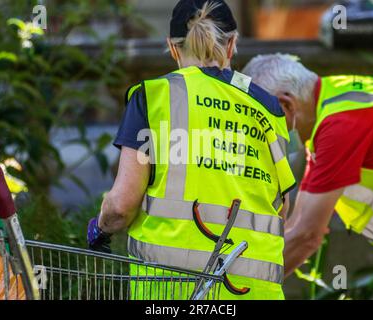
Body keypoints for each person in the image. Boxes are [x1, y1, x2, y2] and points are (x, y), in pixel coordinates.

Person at [87, 0, 296, 300]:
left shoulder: (154, 96)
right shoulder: (268, 106)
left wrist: (100, 228)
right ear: (232, 43)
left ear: (172, 48)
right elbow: (281, 205)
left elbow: (121, 206)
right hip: (255, 292)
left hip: (171, 293)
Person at [242, 54, 373, 277]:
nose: (265, 136)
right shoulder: (333, 104)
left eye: (263, 122)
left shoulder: (340, 125)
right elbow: (298, 222)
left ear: (286, 104)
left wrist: (245, 288)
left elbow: (307, 235)